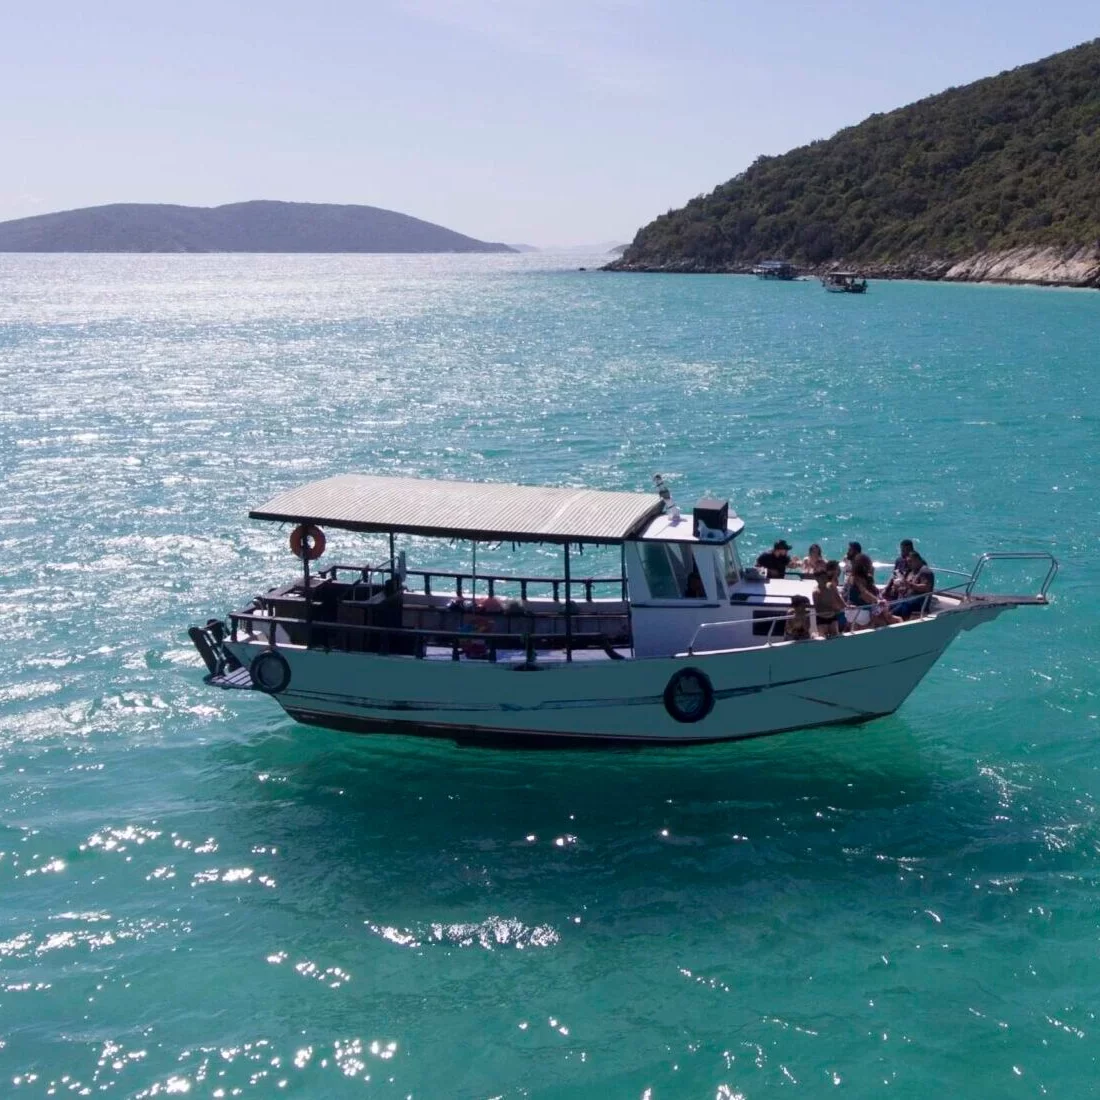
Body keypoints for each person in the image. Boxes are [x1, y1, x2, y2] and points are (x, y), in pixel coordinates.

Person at [893, 550, 936, 619]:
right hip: (909, 598)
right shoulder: (913, 571)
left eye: (910, 561)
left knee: (903, 605)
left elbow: (925, 587)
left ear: (917, 560)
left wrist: (908, 584)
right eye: (907, 562)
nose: (908, 564)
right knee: (891, 604)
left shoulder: (925, 571)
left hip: (919, 601)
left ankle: (900, 621)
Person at [813, 569, 844, 637]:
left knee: (835, 636)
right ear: (816, 579)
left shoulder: (831, 586)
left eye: (825, 577)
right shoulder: (815, 592)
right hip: (822, 618)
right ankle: (815, 634)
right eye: (822, 578)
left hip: (832, 616)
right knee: (823, 639)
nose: (824, 579)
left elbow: (838, 597)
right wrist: (832, 609)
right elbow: (817, 608)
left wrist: (846, 606)